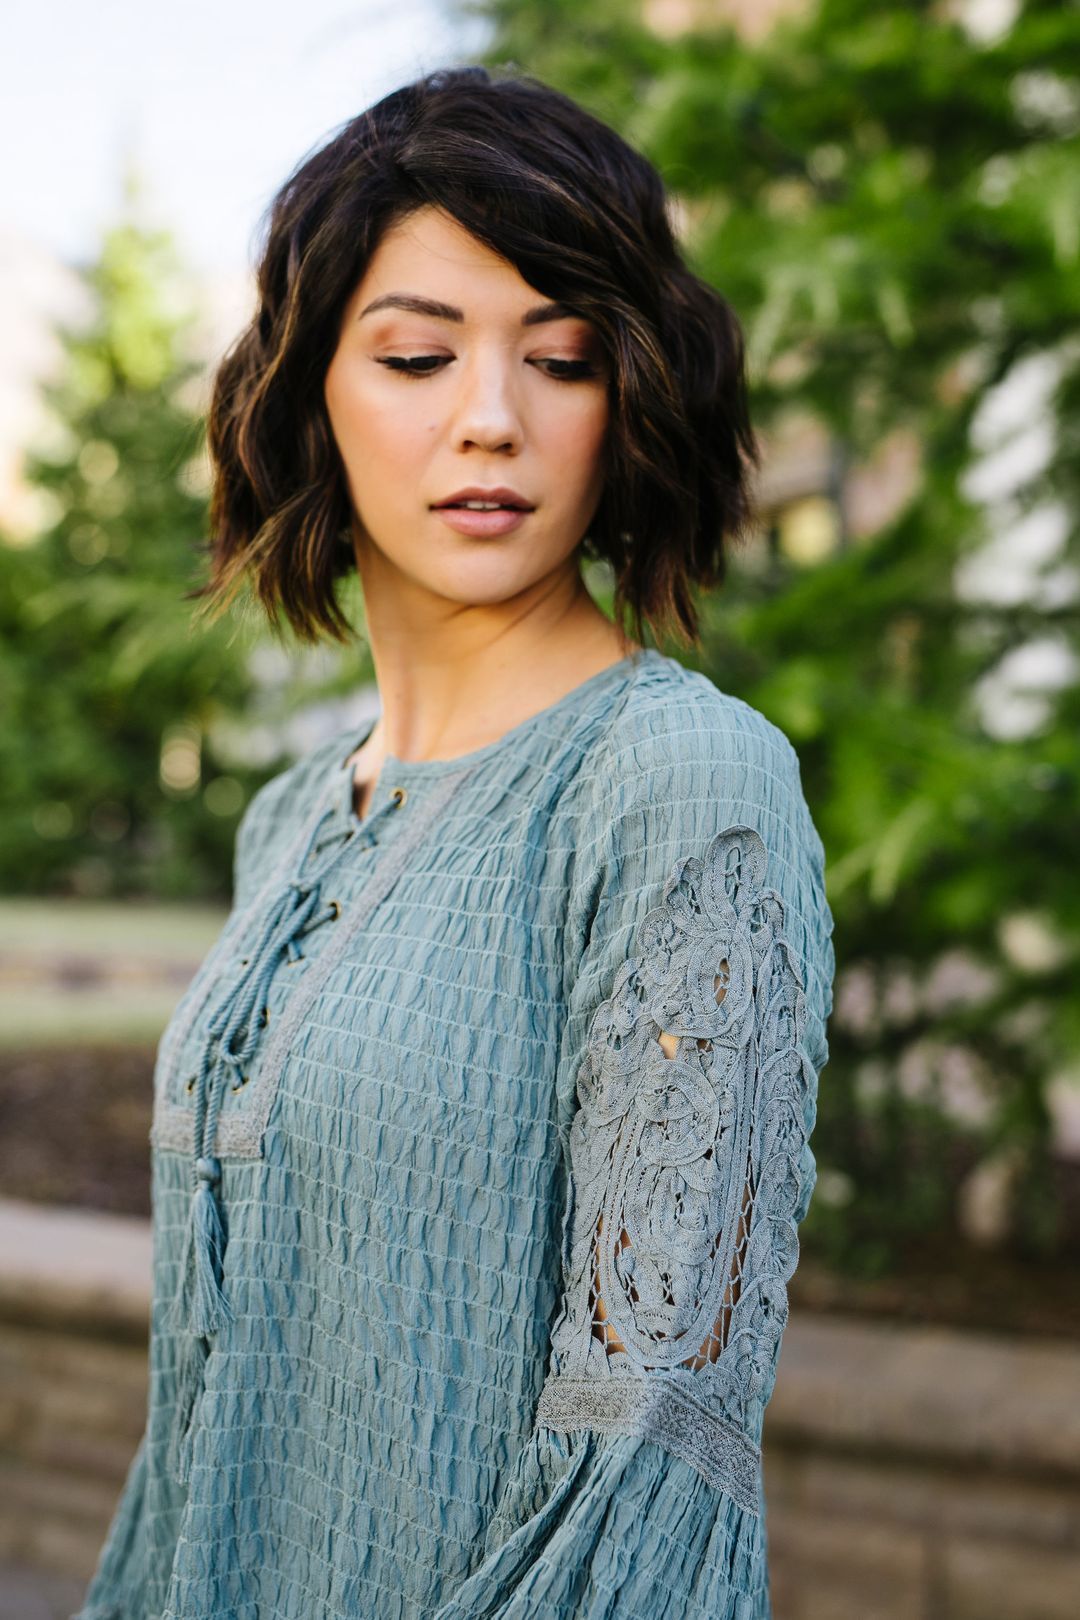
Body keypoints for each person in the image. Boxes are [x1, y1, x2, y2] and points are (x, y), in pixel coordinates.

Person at [76, 63, 835, 1620]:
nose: (489, 419)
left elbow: (648, 1462)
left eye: (559, 360)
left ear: (627, 400)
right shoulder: (293, 817)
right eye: (418, 355)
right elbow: (201, 1408)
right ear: (311, 395)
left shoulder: (680, 781)